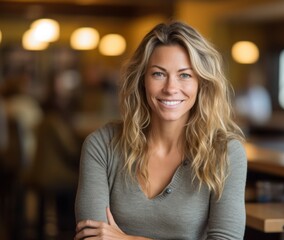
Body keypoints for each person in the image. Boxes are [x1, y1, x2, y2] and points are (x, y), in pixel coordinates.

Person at [75, 21, 247, 240]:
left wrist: (128, 239)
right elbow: (91, 237)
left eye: (185, 75)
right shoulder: (102, 145)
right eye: (158, 74)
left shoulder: (226, 153)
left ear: (201, 83)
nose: (170, 88)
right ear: (142, 80)